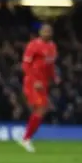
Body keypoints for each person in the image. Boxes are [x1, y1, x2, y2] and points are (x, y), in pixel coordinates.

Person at [19, 23, 59, 153]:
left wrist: (54, 77)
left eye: (49, 31)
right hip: (33, 82)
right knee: (41, 108)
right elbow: (25, 65)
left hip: (43, 83)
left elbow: (50, 65)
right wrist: (35, 80)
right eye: (44, 31)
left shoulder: (52, 46)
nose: (47, 33)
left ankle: (27, 137)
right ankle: (26, 139)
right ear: (40, 32)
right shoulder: (33, 45)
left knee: (41, 110)